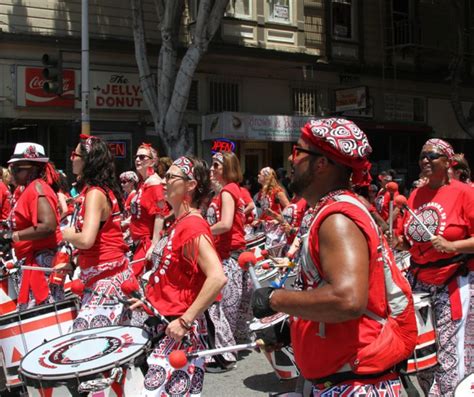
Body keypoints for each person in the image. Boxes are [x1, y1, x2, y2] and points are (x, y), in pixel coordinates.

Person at [251, 118, 417, 397]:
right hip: (344, 381)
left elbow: (346, 300)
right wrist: (294, 326)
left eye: (298, 152)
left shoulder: (337, 219)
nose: (292, 161)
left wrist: (273, 300)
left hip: (355, 385)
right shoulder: (331, 211)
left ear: (321, 164)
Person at [131, 156, 227, 397]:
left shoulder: (192, 225)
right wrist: (149, 302)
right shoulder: (179, 222)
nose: (163, 182)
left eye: (171, 177)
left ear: (191, 185)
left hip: (178, 330)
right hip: (164, 323)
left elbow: (217, 277)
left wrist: (185, 321)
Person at [393, 138, 474, 396]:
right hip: (420, 282)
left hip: (453, 281)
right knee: (422, 354)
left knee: (451, 355)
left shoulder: (465, 193)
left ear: (448, 161)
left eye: (433, 155)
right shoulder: (416, 194)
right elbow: (413, 238)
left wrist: (453, 247)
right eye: (422, 156)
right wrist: (403, 243)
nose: (425, 160)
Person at [61, 135, 132, 330]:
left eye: (74, 154)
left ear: (87, 160)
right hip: (104, 274)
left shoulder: (95, 194)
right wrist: (74, 260)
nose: (71, 158)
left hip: (106, 277)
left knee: (87, 344)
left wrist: (67, 235)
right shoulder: (98, 191)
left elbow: (86, 239)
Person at [2, 143, 62, 309]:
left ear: (32, 169)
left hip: (41, 263)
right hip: (32, 262)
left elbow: (48, 225)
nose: (12, 172)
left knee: (43, 315)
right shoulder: (29, 189)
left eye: (16, 168)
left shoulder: (37, 188)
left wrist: (14, 236)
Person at [206, 151, 251, 369]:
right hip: (234, 255)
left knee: (217, 309)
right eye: (212, 165)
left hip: (228, 256)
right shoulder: (232, 190)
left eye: (217, 165)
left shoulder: (227, 191)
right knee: (226, 309)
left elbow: (224, 224)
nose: (212, 169)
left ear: (228, 168)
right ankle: (229, 351)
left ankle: (224, 357)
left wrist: (201, 231)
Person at [129, 143, 169, 276]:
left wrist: (154, 245)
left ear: (152, 161)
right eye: (136, 157)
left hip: (147, 243)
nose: (137, 160)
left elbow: (160, 214)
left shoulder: (154, 183)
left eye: (142, 157)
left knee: (133, 283)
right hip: (136, 242)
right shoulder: (143, 183)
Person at [254, 166, 290, 247]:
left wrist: (278, 219)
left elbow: (289, 208)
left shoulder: (277, 191)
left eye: (260, 174)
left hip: (277, 228)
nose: (258, 176)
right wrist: (259, 220)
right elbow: (266, 211)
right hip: (267, 228)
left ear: (266, 177)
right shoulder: (262, 193)